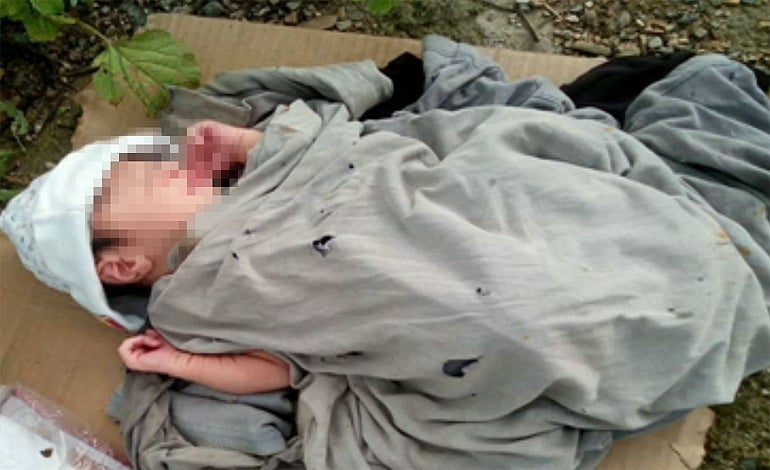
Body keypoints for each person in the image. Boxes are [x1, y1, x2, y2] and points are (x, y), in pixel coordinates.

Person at [91, 120, 292, 395]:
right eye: (155, 180)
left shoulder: (250, 182)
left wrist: (242, 144)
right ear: (124, 265)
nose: (178, 166)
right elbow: (277, 369)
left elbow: (312, 155)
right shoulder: (185, 309)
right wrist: (180, 362)